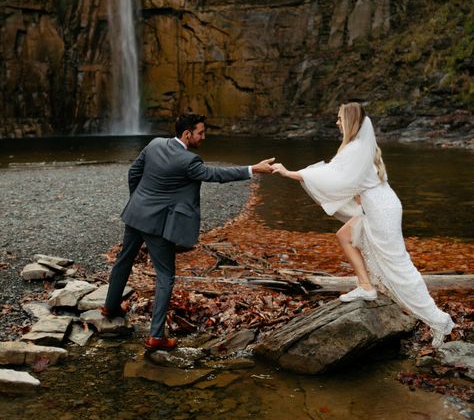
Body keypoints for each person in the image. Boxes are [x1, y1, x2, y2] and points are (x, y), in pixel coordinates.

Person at [271, 102, 454, 348]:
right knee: (345, 236)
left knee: (398, 266)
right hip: (379, 204)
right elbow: (346, 177)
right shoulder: (359, 146)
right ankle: (365, 286)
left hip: (381, 209)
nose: (336, 122)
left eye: (339, 118)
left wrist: (290, 173)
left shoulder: (357, 148)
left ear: (350, 121)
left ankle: (439, 320)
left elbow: (334, 177)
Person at [101, 113, 275, 354]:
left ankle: (110, 307)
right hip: (158, 224)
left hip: (135, 214)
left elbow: (134, 173)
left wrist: (138, 201)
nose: (204, 137)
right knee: (165, 276)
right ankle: (155, 337)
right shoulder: (189, 161)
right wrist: (253, 169)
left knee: (125, 258)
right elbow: (216, 175)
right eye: (201, 133)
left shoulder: (155, 144)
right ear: (187, 134)